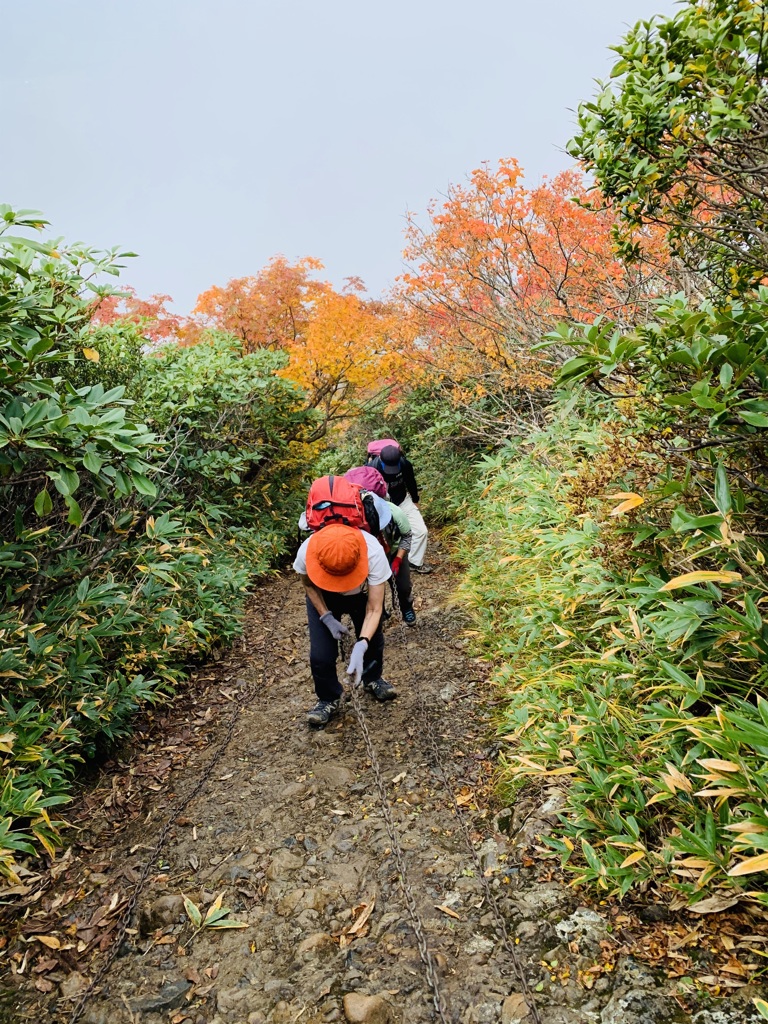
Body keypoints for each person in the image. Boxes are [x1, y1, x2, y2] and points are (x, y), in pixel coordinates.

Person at [294, 523, 397, 728]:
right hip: (323, 596)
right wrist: (326, 617)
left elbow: (375, 609)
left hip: (361, 595)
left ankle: (373, 677)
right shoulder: (307, 551)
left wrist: (363, 643)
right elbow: (308, 585)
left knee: (374, 639)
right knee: (320, 655)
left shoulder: (373, 551)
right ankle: (328, 697)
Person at [367, 442, 433, 573]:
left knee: (421, 531)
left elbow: (411, 482)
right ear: (380, 459)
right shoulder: (372, 468)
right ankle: (381, 565)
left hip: (402, 499)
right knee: (384, 537)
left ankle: (414, 562)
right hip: (381, 503)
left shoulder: (404, 464)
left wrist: (415, 500)